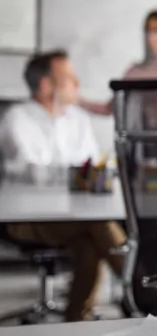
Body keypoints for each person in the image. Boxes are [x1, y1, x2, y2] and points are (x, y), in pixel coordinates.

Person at [0, 51, 127, 321]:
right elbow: (30, 171)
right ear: (46, 85)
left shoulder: (77, 120)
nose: (77, 84)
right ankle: (142, 289)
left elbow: (90, 169)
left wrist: (87, 175)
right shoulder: (17, 118)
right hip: (29, 219)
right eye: (69, 78)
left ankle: (76, 319)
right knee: (100, 225)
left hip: (75, 216)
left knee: (90, 245)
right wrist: (78, 175)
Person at [80, 9, 157, 120]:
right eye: (148, 31)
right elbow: (109, 108)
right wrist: (77, 101)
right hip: (140, 136)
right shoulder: (136, 73)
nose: (152, 37)